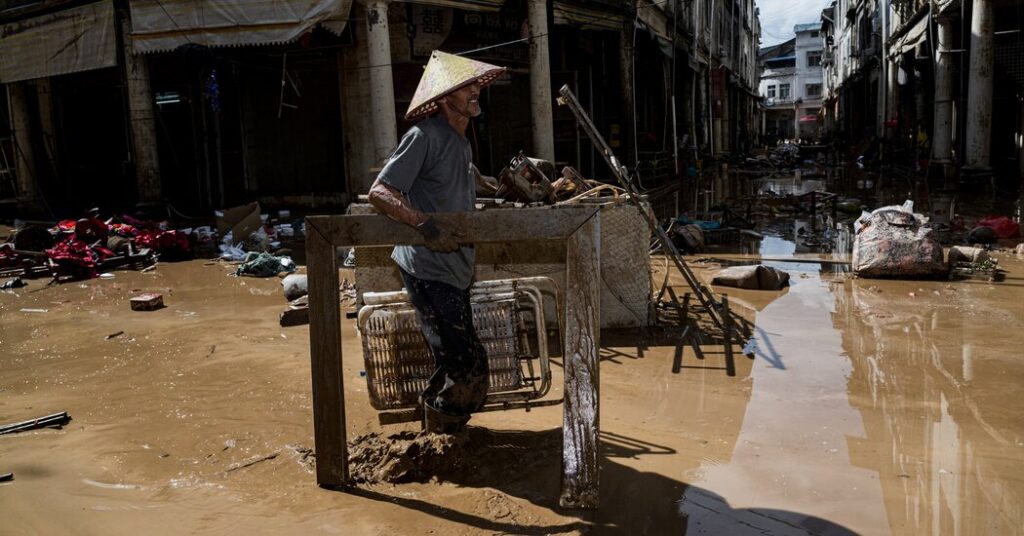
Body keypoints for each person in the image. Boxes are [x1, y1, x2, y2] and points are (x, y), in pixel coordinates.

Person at [367, 51, 506, 434]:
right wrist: (425, 225)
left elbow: (459, 180)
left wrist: (499, 186)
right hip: (427, 266)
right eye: (467, 86)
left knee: (459, 359)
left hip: (456, 266)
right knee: (465, 362)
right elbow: (380, 192)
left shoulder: (461, 143)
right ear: (446, 97)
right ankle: (441, 438)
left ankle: (441, 434)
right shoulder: (423, 135)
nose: (476, 90)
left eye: (477, 83)